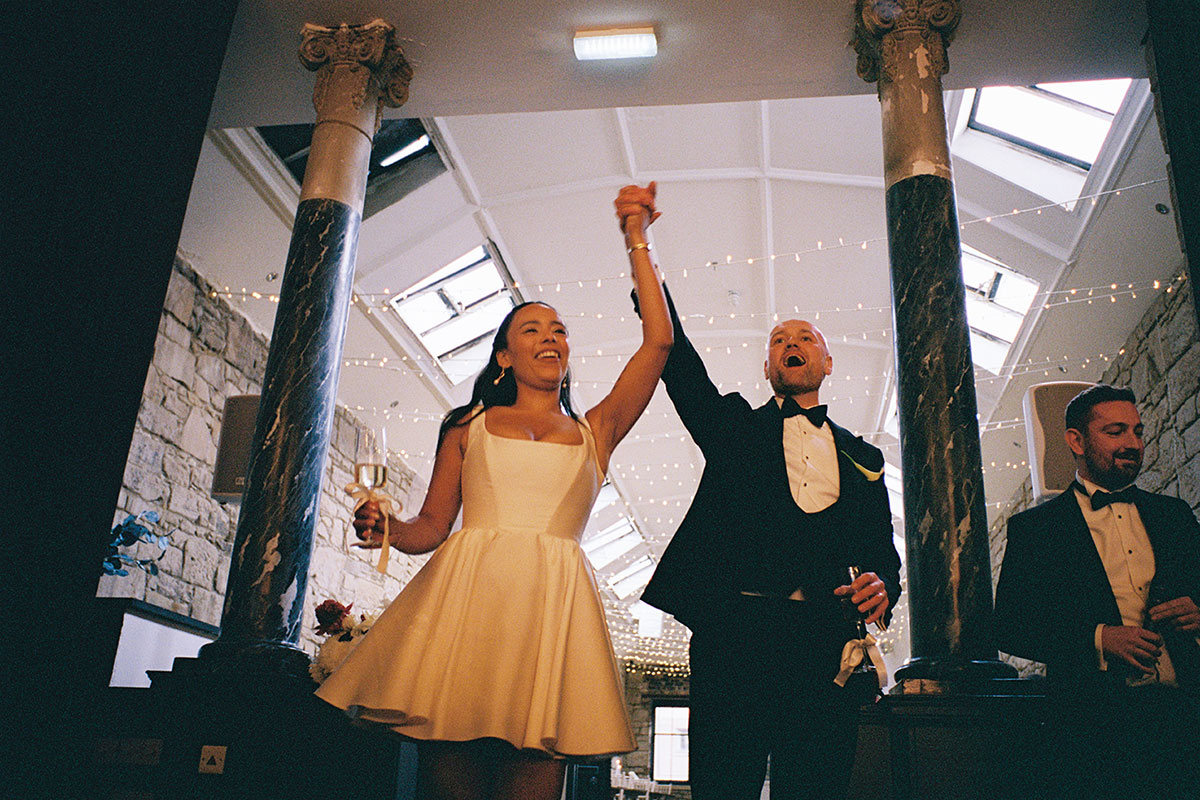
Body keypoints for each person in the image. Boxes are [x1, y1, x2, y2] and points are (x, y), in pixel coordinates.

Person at [315, 185, 672, 800]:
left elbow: (659, 342)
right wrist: (389, 529)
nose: (551, 336)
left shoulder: (597, 431)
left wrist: (637, 236)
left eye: (559, 329)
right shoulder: (467, 425)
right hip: (467, 609)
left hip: (552, 612)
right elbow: (432, 527)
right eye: (532, 328)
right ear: (505, 356)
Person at [614, 185, 901, 800]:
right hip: (734, 637)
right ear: (767, 368)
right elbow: (678, 359)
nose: (791, 343)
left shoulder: (866, 458)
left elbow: (885, 555)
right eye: (778, 340)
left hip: (825, 642)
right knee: (724, 788)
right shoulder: (734, 430)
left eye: (805, 337)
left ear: (827, 363)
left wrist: (884, 588)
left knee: (816, 789)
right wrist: (641, 245)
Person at [993, 384, 1200, 799]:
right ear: (1076, 441)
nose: (1133, 444)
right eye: (1115, 431)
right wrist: (1100, 638)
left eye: (1137, 431)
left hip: (1186, 717)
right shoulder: (1036, 530)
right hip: (1093, 730)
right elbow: (1010, 626)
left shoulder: (1174, 516)